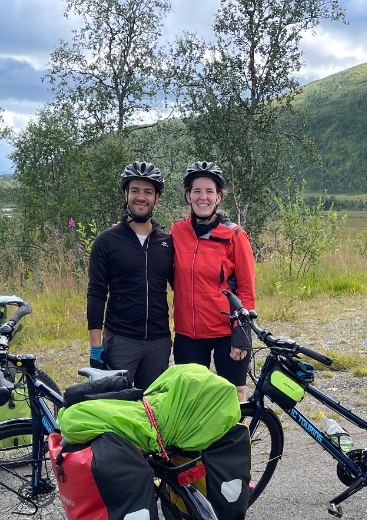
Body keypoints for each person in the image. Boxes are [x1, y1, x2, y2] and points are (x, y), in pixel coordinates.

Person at [169, 161, 257, 401]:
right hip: (188, 334)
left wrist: (242, 332)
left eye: (209, 191)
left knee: (233, 397)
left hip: (226, 333)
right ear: (188, 196)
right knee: (190, 399)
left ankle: (239, 439)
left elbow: (247, 290)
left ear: (218, 197)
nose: (203, 197)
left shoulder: (235, 235)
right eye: (197, 191)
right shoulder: (176, 231)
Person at [86, 161, 175, 390]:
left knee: (152, 411)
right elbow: (96, 293)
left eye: (148, 191)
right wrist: (96, 347)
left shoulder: (166, 243)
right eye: (135, 190)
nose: (141, 197)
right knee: (115, 410)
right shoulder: (106, 241)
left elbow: (185, 284)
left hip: (159, 341)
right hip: (121, 341)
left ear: (157, 197)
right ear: (126, 194)